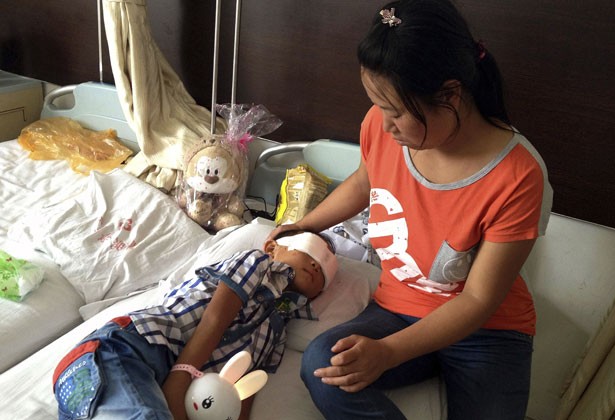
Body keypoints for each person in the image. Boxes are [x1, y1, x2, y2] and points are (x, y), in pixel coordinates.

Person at [267, 0, 553, 419]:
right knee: (323, 365)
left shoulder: (518, 175)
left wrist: (387, 353)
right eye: (378, 107)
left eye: (396, 111)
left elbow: (477, 299)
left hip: (487, 331)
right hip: (399, 309)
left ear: (450, 94)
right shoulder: (382, 131)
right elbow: (365, 182)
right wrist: (303, 225)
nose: (383, 125)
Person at [52, 230, 338, 420]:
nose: (317, 264)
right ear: (272, 247)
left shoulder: (277, 330)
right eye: (311, 251)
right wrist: (181, 378)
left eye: (325, 267)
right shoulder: (257, 263)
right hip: (126, 351)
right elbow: (215, 318)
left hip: (140, 386)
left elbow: (244, 386)